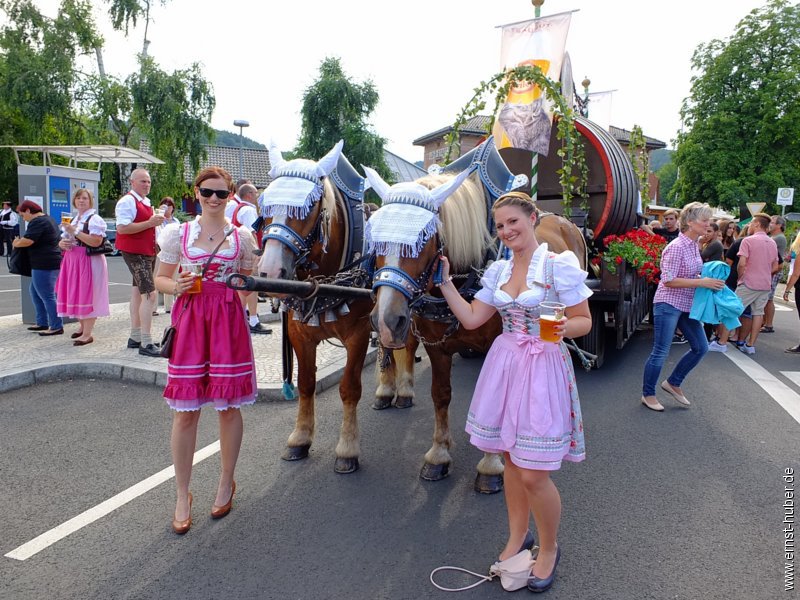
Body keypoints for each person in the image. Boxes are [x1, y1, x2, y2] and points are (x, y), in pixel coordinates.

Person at [436, 191, 592, 593]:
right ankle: (516, 535)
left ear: (532, 218)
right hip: (505, 366)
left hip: (542, 368)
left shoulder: (558, 267)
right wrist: (446, 284)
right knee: (508, 458)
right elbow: (473, 319)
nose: (507, 231)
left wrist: (561, 329)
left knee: (534, 473)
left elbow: (583, 321)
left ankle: (549, 548)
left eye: (513, 222)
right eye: (500, 225)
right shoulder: (498, 271)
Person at [154, 166, 258, 535]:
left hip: (227, 325)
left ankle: (226, 482)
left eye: (221, 193)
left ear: (230, 196)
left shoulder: (242, 237)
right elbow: (160, 278)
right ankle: (183, 494)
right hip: (190, 322)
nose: (214, 198)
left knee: (228, 409)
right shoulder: (177, 234)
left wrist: (231, 301)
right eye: (207, 192)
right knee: (186, 414)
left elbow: (248, 280)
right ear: (195, 192)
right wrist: (176, 286)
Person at [641, 202, 724, 411]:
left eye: (709, 220)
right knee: (661, 351)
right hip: (667, 302)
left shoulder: (694, 245)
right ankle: (648, 394)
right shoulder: (676, 247)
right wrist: (701, 282)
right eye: (704, 220)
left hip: (687, 304)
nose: (708, 224)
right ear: (690, 222)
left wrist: (706, 281)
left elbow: (689, 274)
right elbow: (668, 280)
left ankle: (673, 382)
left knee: (701, 347)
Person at [115, 168, 165, 357]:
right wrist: (150, 223)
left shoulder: (143, 201)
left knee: (138, 293)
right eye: (143, 181)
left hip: (146, 251)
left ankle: (135, 337)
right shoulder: (127, 201)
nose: (147, 184)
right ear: (132, 182)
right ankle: (146, 341)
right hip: (136, 253)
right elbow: (122, 228)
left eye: (148, 181)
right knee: (150, 295)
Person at [712, 214, 778, 355]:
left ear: (758, 225)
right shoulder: (772, 243)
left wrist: (741, 277)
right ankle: (750, 344)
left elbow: (742, 263)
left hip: (748, 282)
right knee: (758, 313)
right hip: (765, 283)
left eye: (753, 223)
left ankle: (722, 342)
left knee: (733, 309)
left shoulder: (748, 241)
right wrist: (765, 274)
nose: (750, 225)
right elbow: (775, 266)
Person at [55, 189, 110, 345]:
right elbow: (66, 239)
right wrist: (62, 244)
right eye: (78, 198)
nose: (81, 201)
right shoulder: (74, 219)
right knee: (76, 292)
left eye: (84, 198)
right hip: (72, 260)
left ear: (90, 201)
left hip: (88, 260)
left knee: (88, 294)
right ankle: (82, 327)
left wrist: (75, 231)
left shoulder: (94, 219)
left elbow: (96, 242)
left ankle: (87, 334)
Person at [12, 200, 63, 335]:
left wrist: (16, 243)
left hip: (44, 263)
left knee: (47, 295)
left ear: (28, 210)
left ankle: (56, 325)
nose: (23, 218)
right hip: (48, 262)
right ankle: (42, 322)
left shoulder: (37, 222)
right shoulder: (48, 219)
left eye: (23, 215)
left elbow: (28, 240)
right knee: (35, 292)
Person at [232, 183, 270, 334]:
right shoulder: (248, 210)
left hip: (243, 251)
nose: (257, 196)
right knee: (251, 286)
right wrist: (257, 253)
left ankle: (244, 317)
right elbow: (251, 233)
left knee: (244, 286)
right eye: (255, 193)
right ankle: (252, 320)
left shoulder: (240, 208)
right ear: (248, 194)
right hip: (249, 252)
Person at [761, 215, 788, 333]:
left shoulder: (779, 238)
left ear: (779, 225)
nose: (770, 224)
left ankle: (768, 324)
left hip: (774, 271)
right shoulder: (773, 236)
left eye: (772, 222)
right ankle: (764, 322)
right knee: (767, 298)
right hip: (772, 270)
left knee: (769, 298)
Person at [154, 197, 180, 315]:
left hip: (174, 252)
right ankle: (153, 307)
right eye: (164, 205)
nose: (167, 208)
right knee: (157, 277)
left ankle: (169, 306)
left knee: (172, 278)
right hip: (159, 251)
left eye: (169, 206)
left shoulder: (176, 221)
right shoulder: (158, 220)